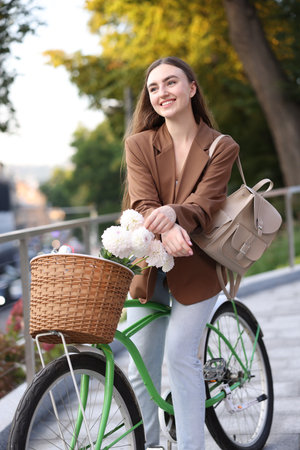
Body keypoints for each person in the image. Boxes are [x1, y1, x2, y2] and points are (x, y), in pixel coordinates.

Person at [123, 56, 239, 450]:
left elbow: (206, 204)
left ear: (191, 88)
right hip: (149, 265)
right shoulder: (138, 144)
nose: (161, 93)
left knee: (182, 357)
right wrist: (166, 222)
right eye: (153, 88)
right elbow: (141, 202)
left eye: (170, 83)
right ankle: (150, 445)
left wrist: (175, 215)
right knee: (141, 364)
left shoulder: (222, 147)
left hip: (199, 266)